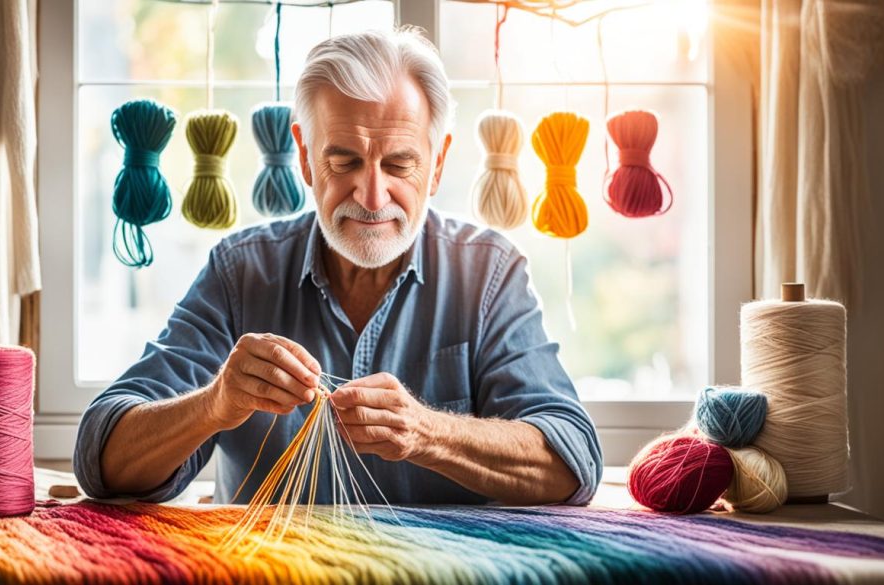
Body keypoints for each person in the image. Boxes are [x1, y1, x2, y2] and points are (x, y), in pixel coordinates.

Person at [73, 27, 602, 506]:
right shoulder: (241, 272)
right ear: (304, 157)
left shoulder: (488, 272)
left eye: (399, 164)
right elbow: (101, 460)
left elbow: (572, 458)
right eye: (344, 160)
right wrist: (216, 403)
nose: (372, 196)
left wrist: (427, 433)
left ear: (437, 163)